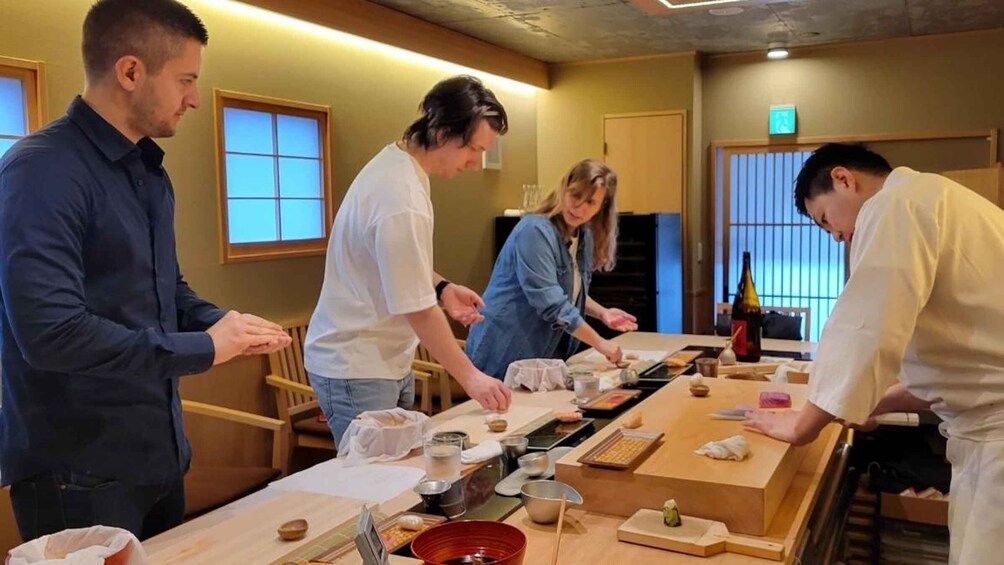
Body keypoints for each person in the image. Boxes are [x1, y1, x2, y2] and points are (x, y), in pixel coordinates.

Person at [0, 0, 292, 542]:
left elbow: (164, 291)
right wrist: (205, 348)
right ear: (131, 71)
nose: (194, 99)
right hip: (76, 472)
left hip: (156, 454)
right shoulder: (42, 170)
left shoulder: (148, 172)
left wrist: (225, 322)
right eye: (185, 80)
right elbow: (51, 334)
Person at [742, 143, 1004, 564]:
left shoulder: (896, 204)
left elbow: (865, 329)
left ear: (844, 179)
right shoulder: (935, 197)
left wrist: (804, 425)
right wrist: (869, 400)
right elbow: (962, 367)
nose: (837, 236)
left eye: (827, 220)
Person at [304, 75, 512, 446]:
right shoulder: (401, 196)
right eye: (474, 150)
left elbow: (393, 258)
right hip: (358, 363)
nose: (475, 164)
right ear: (445, 133)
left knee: (398, 476)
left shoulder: (399, 165)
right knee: (374, 483)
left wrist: (443, 287)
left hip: (383, 359)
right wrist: (472, 377)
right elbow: (418, 310)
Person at [466, 159, 638, 380]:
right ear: (564, 189)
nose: (580, 207)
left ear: (601, 207)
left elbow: (568, 293)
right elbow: (553, 304)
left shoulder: (582, 235)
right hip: (504, 348)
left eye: (591, 202)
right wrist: (600, 343)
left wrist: (602, 312)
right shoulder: (535, 231)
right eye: (576, 195)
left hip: (541, 354)